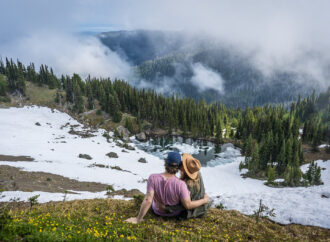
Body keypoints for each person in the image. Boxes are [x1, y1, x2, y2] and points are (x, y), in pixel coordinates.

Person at [125, 152, 209, 224]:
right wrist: (205, 200)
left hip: (157, 211)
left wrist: (138, 219)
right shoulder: (181, 184)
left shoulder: (152, 177)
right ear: (178, 166)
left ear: (165, 162)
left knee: (153, 203)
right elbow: (187, 204)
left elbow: (148, 200)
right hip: (174, 214)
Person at [164, 153, 211, 218]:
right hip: (201, 207)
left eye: (183, 164)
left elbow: (187, 205)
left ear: (186, 171)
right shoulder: (197, 173)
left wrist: (166, 208)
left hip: (190, 211)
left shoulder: (187, 185)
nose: (180, 163)